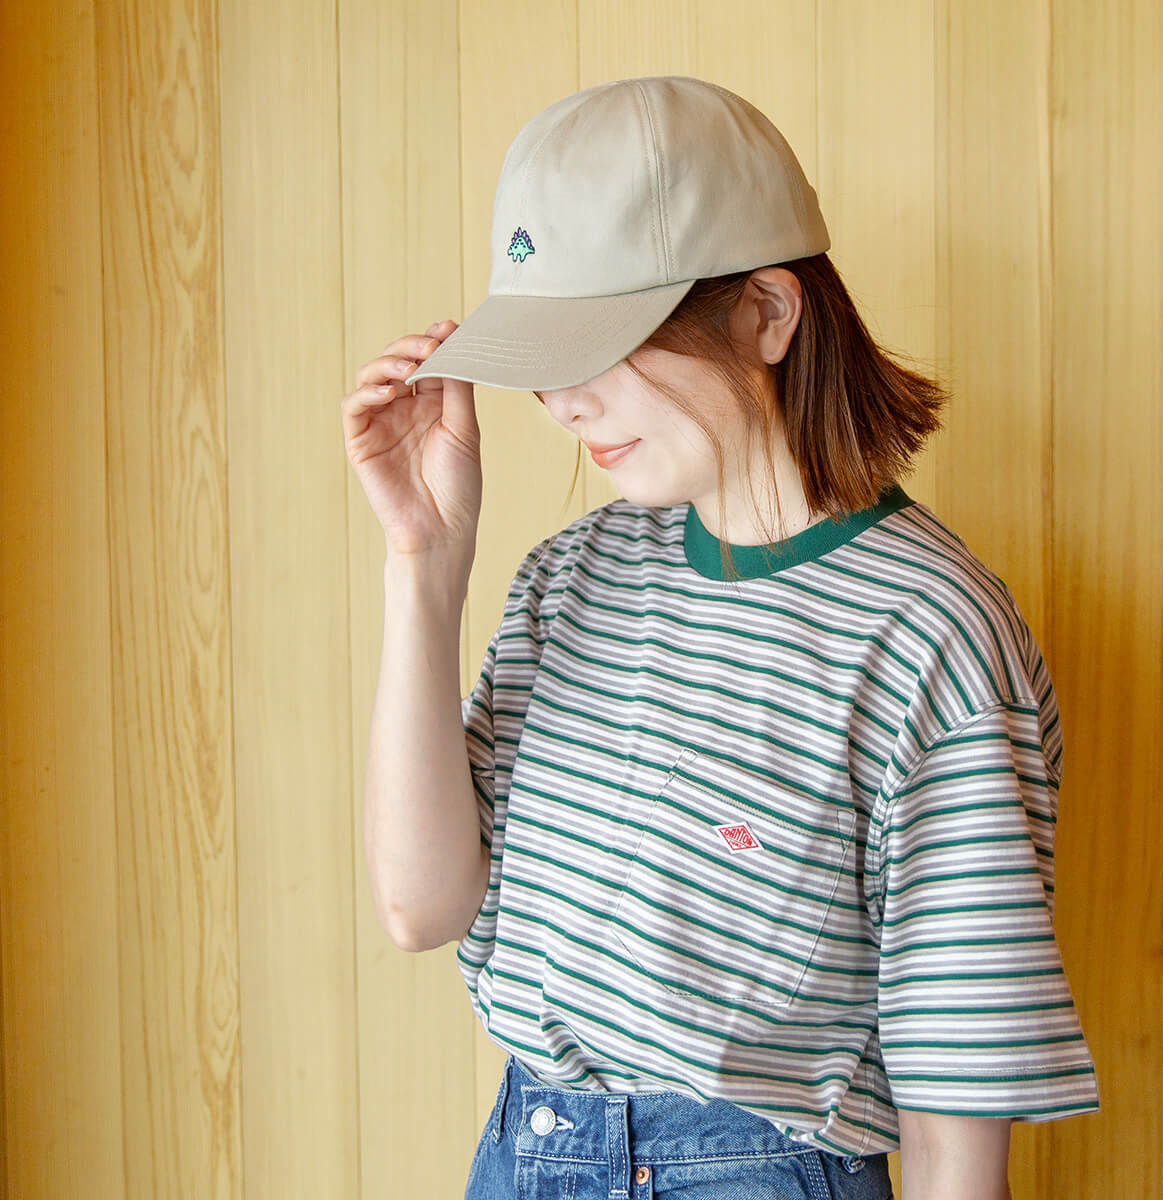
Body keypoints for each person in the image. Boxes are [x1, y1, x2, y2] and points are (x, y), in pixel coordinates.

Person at [342, 75, 1099, 1200]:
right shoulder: (572, 578)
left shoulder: (929, 637)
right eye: (544, 358)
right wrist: (425, 564)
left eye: (600, 342)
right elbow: (421, 908)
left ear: (767, 312)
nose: (562, 402)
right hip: (523, 1153)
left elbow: (956, 1106)